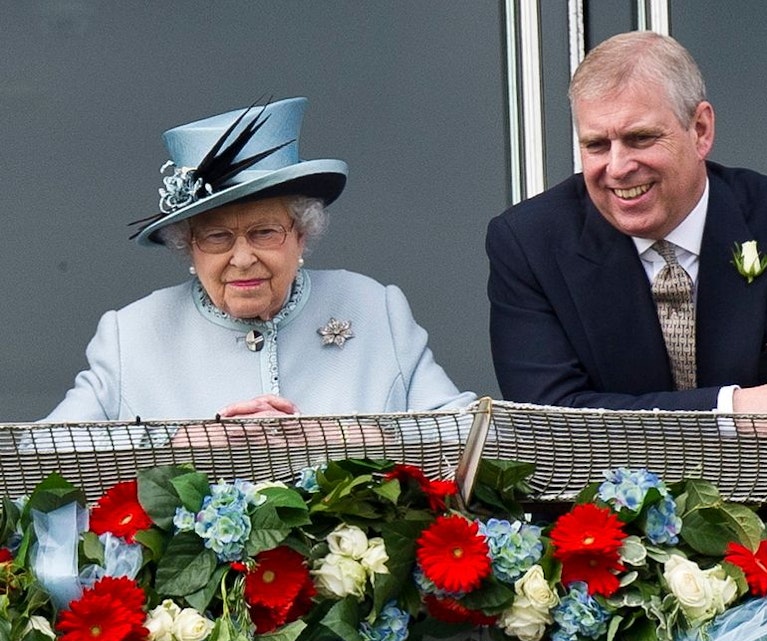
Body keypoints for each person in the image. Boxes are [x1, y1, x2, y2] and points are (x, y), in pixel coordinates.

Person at [486, 32, 767, 540]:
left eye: (641, 138)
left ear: (701, 129)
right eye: (596, 144)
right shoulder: (528, 242)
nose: (617, 167)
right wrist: (733, 410)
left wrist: (626, 428)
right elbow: (554, 428)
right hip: (611, 556)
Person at [45, 97, 474, 429]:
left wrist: (344, 438)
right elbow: (41, 462)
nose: (243, 258)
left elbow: (471, 439)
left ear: (302, 235)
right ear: (188, 247)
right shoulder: (132, 334)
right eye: (217, 237)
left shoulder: (374, 308)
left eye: (265, 232)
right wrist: (178, 447)